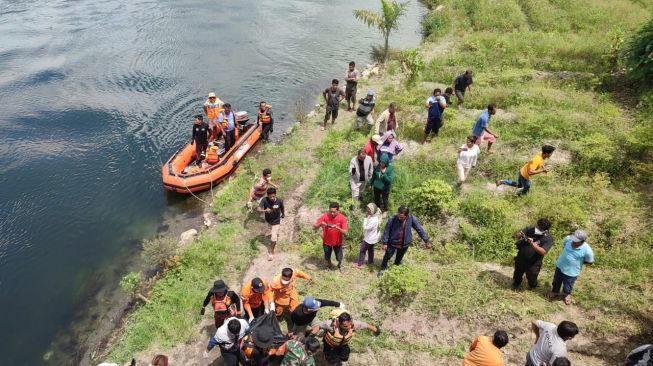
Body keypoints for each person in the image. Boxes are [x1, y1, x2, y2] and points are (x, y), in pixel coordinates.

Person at [310, 310, 380, 366]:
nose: (349, 327)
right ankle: (326, 358)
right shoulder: (330, 324)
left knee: (344, 357)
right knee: (330, 360)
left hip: (342, 343)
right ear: (339, 324)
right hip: (329, 343)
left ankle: (337, 358)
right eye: (346, 326)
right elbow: (319, 326)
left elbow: (366, 325)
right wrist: (311, 336)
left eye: (350, 324)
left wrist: (376, 330)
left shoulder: (354, 324)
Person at [378, 206, 431, 277]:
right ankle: (383, 269)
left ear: (407, 215)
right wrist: (385, 242)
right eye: (398, 216)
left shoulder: (411, 218)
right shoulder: (393, 219)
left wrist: (426, 241)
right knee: (387, 256)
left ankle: (395, 269)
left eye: (402, 217)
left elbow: (419, 229)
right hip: (392, 242)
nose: (399, 218)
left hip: (404, 244)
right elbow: (386, 230)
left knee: (399, 258)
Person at [549, 229, 594, 305]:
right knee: (556, 281)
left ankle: (566, 294)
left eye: (576, 241)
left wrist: (577, 262)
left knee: (568, 285)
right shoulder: (568, 239)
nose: (573, 241)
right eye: (573, 239)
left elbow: (590, 262)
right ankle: (555, 292)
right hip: (560, 266)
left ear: (582, 241)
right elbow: (564, 245)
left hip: (572, 272)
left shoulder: (587, 250)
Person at [512, 218, 554, 290]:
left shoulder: (548, 238)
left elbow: (543, 251)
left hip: (534, 262)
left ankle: (532, 286)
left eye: (539, 228)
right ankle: (516, 283)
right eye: (537, 226)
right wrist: (520, 235)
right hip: (521, 257)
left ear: (545, 230)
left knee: (532, 276)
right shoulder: (530, 228)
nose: (537, 229)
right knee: (517, 273)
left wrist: (532, 244)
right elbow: (517, 236)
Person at [313, 202, 348, 270]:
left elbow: (346, 233)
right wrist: (320, 224)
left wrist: (338, 228)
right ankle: (329, 265)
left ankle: (339, 265)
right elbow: (314, 227)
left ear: (338, 211)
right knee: (327, 257)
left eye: (334, 212)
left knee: (339, 258)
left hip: (337, 242)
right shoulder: (325, 216)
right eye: (330, 211)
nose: (332, 213)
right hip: (326, 241)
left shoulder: (342, 218)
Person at [257, 187, 285, 260]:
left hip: (276, 221)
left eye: (273, 196)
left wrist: (283, 214)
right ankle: (274, 236)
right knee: (271, 231)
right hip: (268, 220)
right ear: (267, 196)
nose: (272, 198)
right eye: (270, 197)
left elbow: (282, 207)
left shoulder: (279, 201)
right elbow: (258, 209)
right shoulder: (264, 200)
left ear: (275, 194)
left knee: (273, 237)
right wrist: (265, 210)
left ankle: (271, 252)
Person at [352, 202, 381, 269]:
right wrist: (368, 216)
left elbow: (366, 227)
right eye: (367, 208)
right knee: (370, 249)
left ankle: (360, 264)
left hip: (369, 238)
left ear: (373, 210)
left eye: (369, 209)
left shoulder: (374, 220)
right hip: (373, 238)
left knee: (362, 250)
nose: (367, 210)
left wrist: (365, 218)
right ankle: (370, 262)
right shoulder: (374, 215)